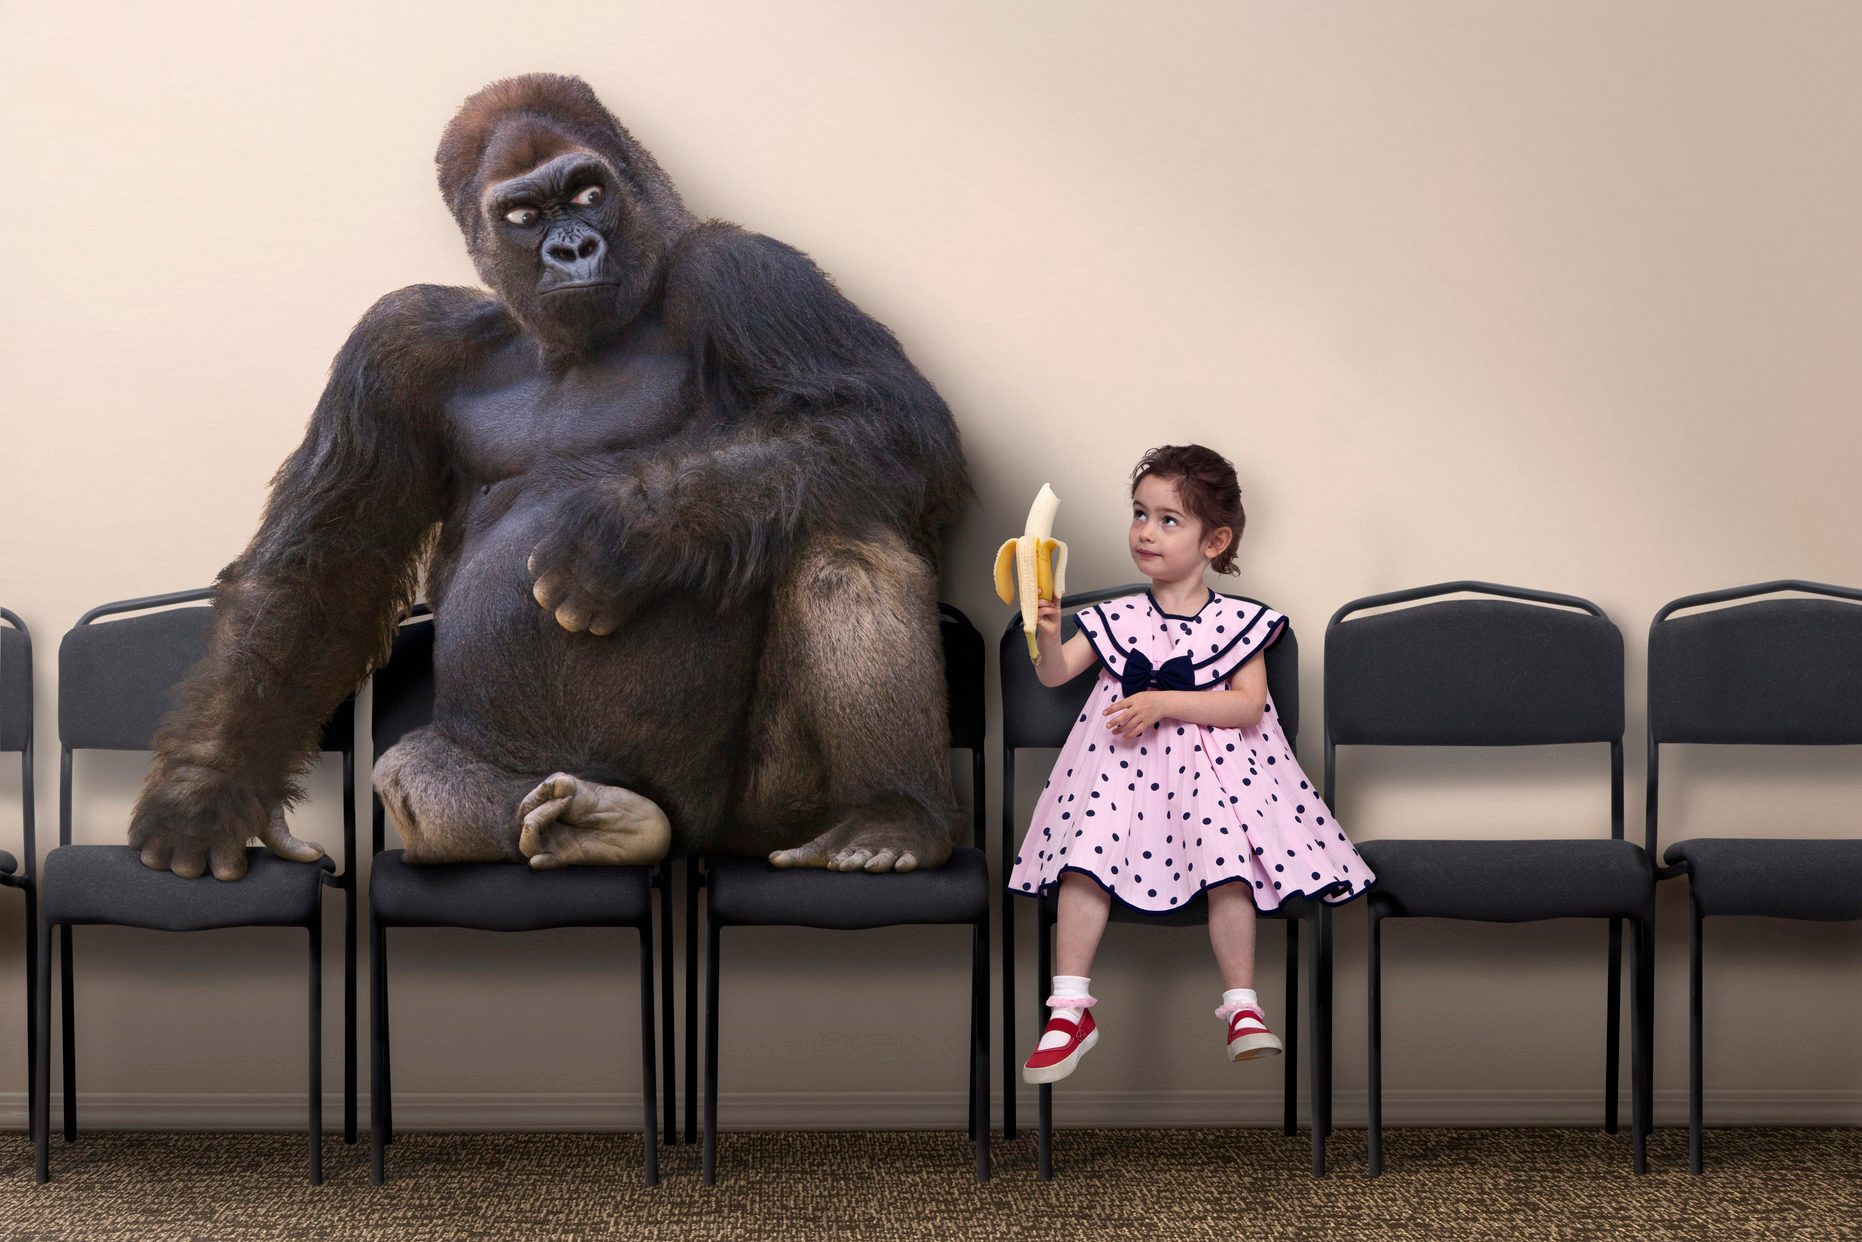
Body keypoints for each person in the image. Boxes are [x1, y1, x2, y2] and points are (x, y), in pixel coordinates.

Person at [1006, 444, 1374, 1084]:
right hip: (1117, 781)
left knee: (1228, 856)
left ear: (1215, 539)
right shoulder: (1112, 618)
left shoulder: (1241, 621)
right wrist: (1042, 632)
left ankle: (1241, 1006)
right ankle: (1069, 1009)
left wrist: (1163, 701)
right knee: (1083, 858)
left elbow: (1248, 707)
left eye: (1169, 519)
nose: (1146, 532)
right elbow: (1055, 673)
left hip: (1216, 781)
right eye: (1140, 514)